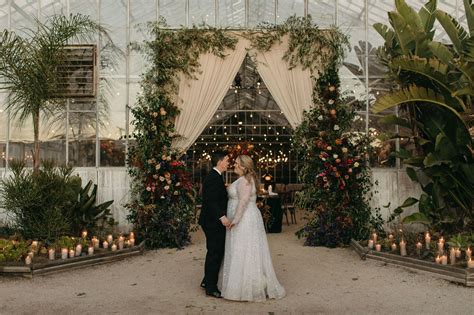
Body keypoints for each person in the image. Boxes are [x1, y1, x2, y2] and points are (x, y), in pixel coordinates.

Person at [219, 155, 285, 302]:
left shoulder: (245, 181)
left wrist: (234, 220)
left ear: (244, 166)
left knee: (244, 249)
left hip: (244, 220)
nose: (233, 165)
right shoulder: (242, 180)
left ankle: (248, 287)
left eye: (236, 163)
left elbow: (243, 202)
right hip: (243, 218)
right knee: (241, 249)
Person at [198, 150, 231, 298]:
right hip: (212, 221)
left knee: (215, 250)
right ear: (220, 161)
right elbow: (210, 201)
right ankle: (211, 287)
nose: (228, 163)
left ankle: (206, 280)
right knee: (215, 252)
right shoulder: (213, 177)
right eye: (227, 160)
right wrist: (221, 217)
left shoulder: (215, 176)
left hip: (211, 220)